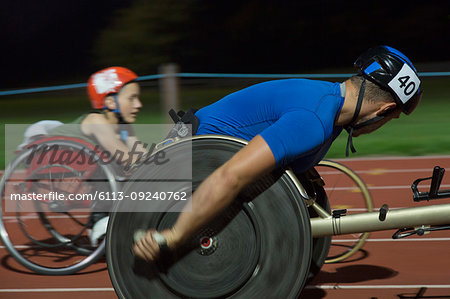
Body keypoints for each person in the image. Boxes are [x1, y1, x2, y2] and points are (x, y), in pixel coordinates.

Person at [133, 45, 423, 261]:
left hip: (200, 147)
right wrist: (173, 236)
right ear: (384, 110)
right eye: (390, 118)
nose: (383, 125)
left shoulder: (330, 105)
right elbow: (230, 176)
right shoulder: (313, 120)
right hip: (189, 159)